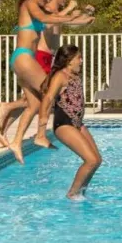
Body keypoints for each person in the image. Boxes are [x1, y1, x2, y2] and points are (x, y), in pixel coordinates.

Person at [0, 0, 95, 162]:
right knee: (50, 92)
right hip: (24, 57)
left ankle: (17, 142)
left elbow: (54, 19)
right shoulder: (30, 3)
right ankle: (40, 135)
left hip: (25, 58)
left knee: (34, 104)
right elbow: (46, 19)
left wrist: (84, 19)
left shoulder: (36, 6)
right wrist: (71, 17)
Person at [35, 44, 102, 200]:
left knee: (97, 160)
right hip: (64, 124)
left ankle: (80, 192)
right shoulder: (61, 75)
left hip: (78, 124)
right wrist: (41, 132)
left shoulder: (74, 75)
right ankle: (72, 194)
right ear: (69, 60)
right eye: (79, 57)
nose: (81, 61)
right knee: (90, 160)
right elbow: (47, 99)